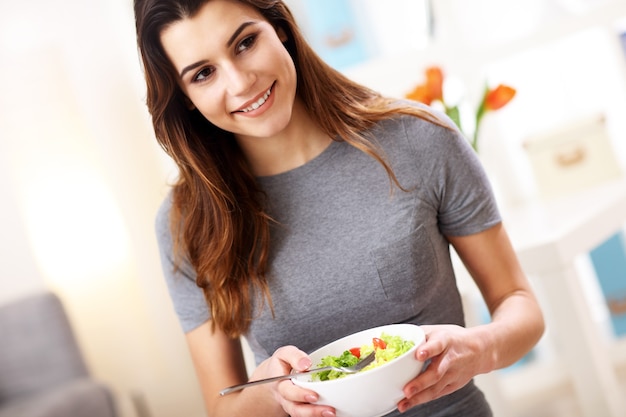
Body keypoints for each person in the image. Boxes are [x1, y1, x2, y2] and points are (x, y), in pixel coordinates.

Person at [134, 0, 545, 416]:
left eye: (245, 43)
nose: (240, 83)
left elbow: (518, 303)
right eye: (203, 74)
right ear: (184, 97)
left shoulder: (419, 140)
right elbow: (221, 409)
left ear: (280, 29)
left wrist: (480, 347)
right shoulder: (187, 223)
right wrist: (270, 394)